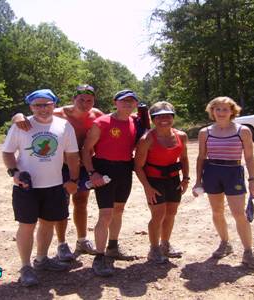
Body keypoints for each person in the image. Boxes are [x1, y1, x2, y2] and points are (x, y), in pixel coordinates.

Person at [12, 85, 103, 261]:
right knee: (61, 206)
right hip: (59, 166)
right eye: (80, 99)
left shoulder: (97, 114)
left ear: (94, 101)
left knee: (81, 201)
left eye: (89, 100)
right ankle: (62, 244)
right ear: (73, 99)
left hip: (82, 165)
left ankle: (82, 240)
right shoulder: (59, 114)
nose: (85, 104)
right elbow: (34, 116)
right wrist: (17, 116)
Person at [2, 88, 80, 287]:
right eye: (38, 105)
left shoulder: (64, 126)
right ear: (31, 106)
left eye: (47, 104)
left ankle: (42, 259)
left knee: (47, 224)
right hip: (26, 186)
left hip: (54, 185)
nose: (43, 109)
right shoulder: (22, 125)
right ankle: (26, 266)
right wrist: (14, 173)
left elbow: (72, 155)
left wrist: (73, 179)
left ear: (54, 104)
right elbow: (8, 152)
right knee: (27, 226)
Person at [192, 96, 254, 270]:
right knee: (217, 211)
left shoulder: (243, 131)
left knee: (239, 214)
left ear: (232, 111)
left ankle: (248, 252)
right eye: (218, 109)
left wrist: (253, 180)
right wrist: (197, 181)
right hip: (212, 172)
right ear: (212, 111)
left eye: (225, 109)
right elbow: (201, 157)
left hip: (234, 173)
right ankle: (225, 243)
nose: (221, 112)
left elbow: (249, 157)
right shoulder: (205, 132)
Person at [81, 89, 140, 277]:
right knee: (105, 214)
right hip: (104, 169)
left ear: (136, 104)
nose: (128, 104)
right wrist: (92, 173)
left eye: (131, 101)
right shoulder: (102, 122)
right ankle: (99, 257)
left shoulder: (135, 122)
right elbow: (86, 150)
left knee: (119, 210)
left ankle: (112, 247)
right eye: (124, 101)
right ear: (115, 102)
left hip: (124, 170)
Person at [134, 101, 189, 264]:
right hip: (154, 181)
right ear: (152, 119)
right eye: (159, 117)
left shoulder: (181, 136)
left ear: (173, 117)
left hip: (173, 179)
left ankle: (165, 244)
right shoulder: (146, 139)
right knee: (158, 214)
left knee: (171, 213)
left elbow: (184, 158)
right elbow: (138, 166)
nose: (164, 119)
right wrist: (147, 188)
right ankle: (154, 249)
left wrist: (186, 178)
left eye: (167, 116)